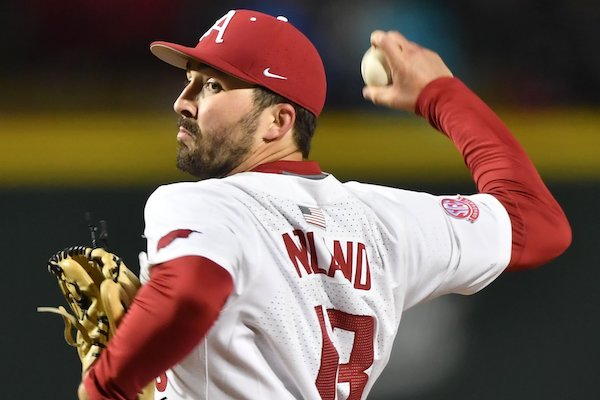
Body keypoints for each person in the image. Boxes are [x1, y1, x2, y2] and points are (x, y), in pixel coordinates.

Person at [78, 9, 571, 400]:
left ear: (278, 122)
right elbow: (538, 222)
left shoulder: (204, 205)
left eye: (211, 85)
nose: (182, 101)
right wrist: (441, 95)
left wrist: (107, 385)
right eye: (188, 80)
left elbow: (189, 293)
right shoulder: (385, 223)